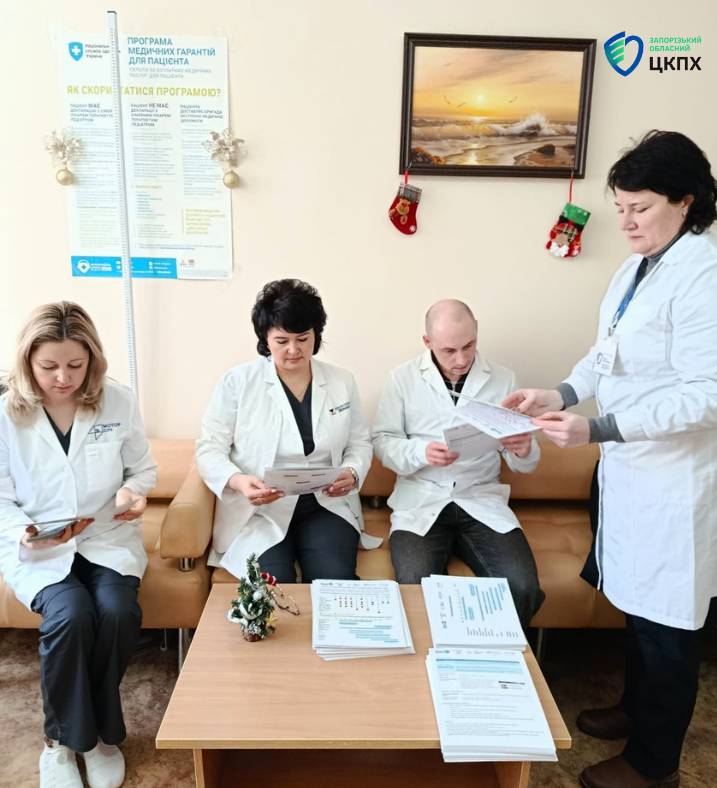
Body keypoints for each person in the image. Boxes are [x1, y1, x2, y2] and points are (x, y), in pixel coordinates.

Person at [502, 130, 717, 788]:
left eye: (639, 208)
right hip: (628, 473)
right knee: (636, 608)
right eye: (620, 208)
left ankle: (653, 766)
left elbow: (706, 395)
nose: (625, 223)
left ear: (685, 201)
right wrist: (559, 394)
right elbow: (605, 356)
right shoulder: (636, 268)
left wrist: (599, 427)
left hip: (672, 480)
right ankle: (633, 709)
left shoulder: (703, 274)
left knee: (667, 624)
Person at [0, 302, 157, 788]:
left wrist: (133, 494)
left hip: (105, 536)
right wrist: (25, 532)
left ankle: (102, 737)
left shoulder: (118, 401)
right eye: (48, 366)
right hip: (39, 547)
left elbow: (143, 469)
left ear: (93, 359)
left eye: (75, 364)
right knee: (71, 616)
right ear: (28, 360)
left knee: (117, 612)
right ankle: (61, 742)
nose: (63, 378)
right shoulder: (6, 412)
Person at [371, 299, 544, 629]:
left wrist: (523, 450)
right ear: (427, 342)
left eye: (468, 345)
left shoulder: (503, 379)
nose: (462, 360)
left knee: (522, 587)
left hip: (480, 498)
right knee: (415, 588)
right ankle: (434, 659)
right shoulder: (402, 378)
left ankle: (496, 657)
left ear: (476, 330)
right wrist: (421, 453)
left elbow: (524, 464)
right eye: (449, 350)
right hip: (421, 500)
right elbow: (382, 442)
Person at [196, 279, 379, 584]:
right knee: (274, 585)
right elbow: (209, 449)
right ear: (265, 339)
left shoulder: (341, 381)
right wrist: (239, 482)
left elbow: (359, 442)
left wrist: (352, 471)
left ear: (315, 335)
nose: (294, 350)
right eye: (282, 341)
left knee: (333, 579)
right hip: (261, 509)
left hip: (324, 504)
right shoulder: (237, 383)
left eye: (303, 339)